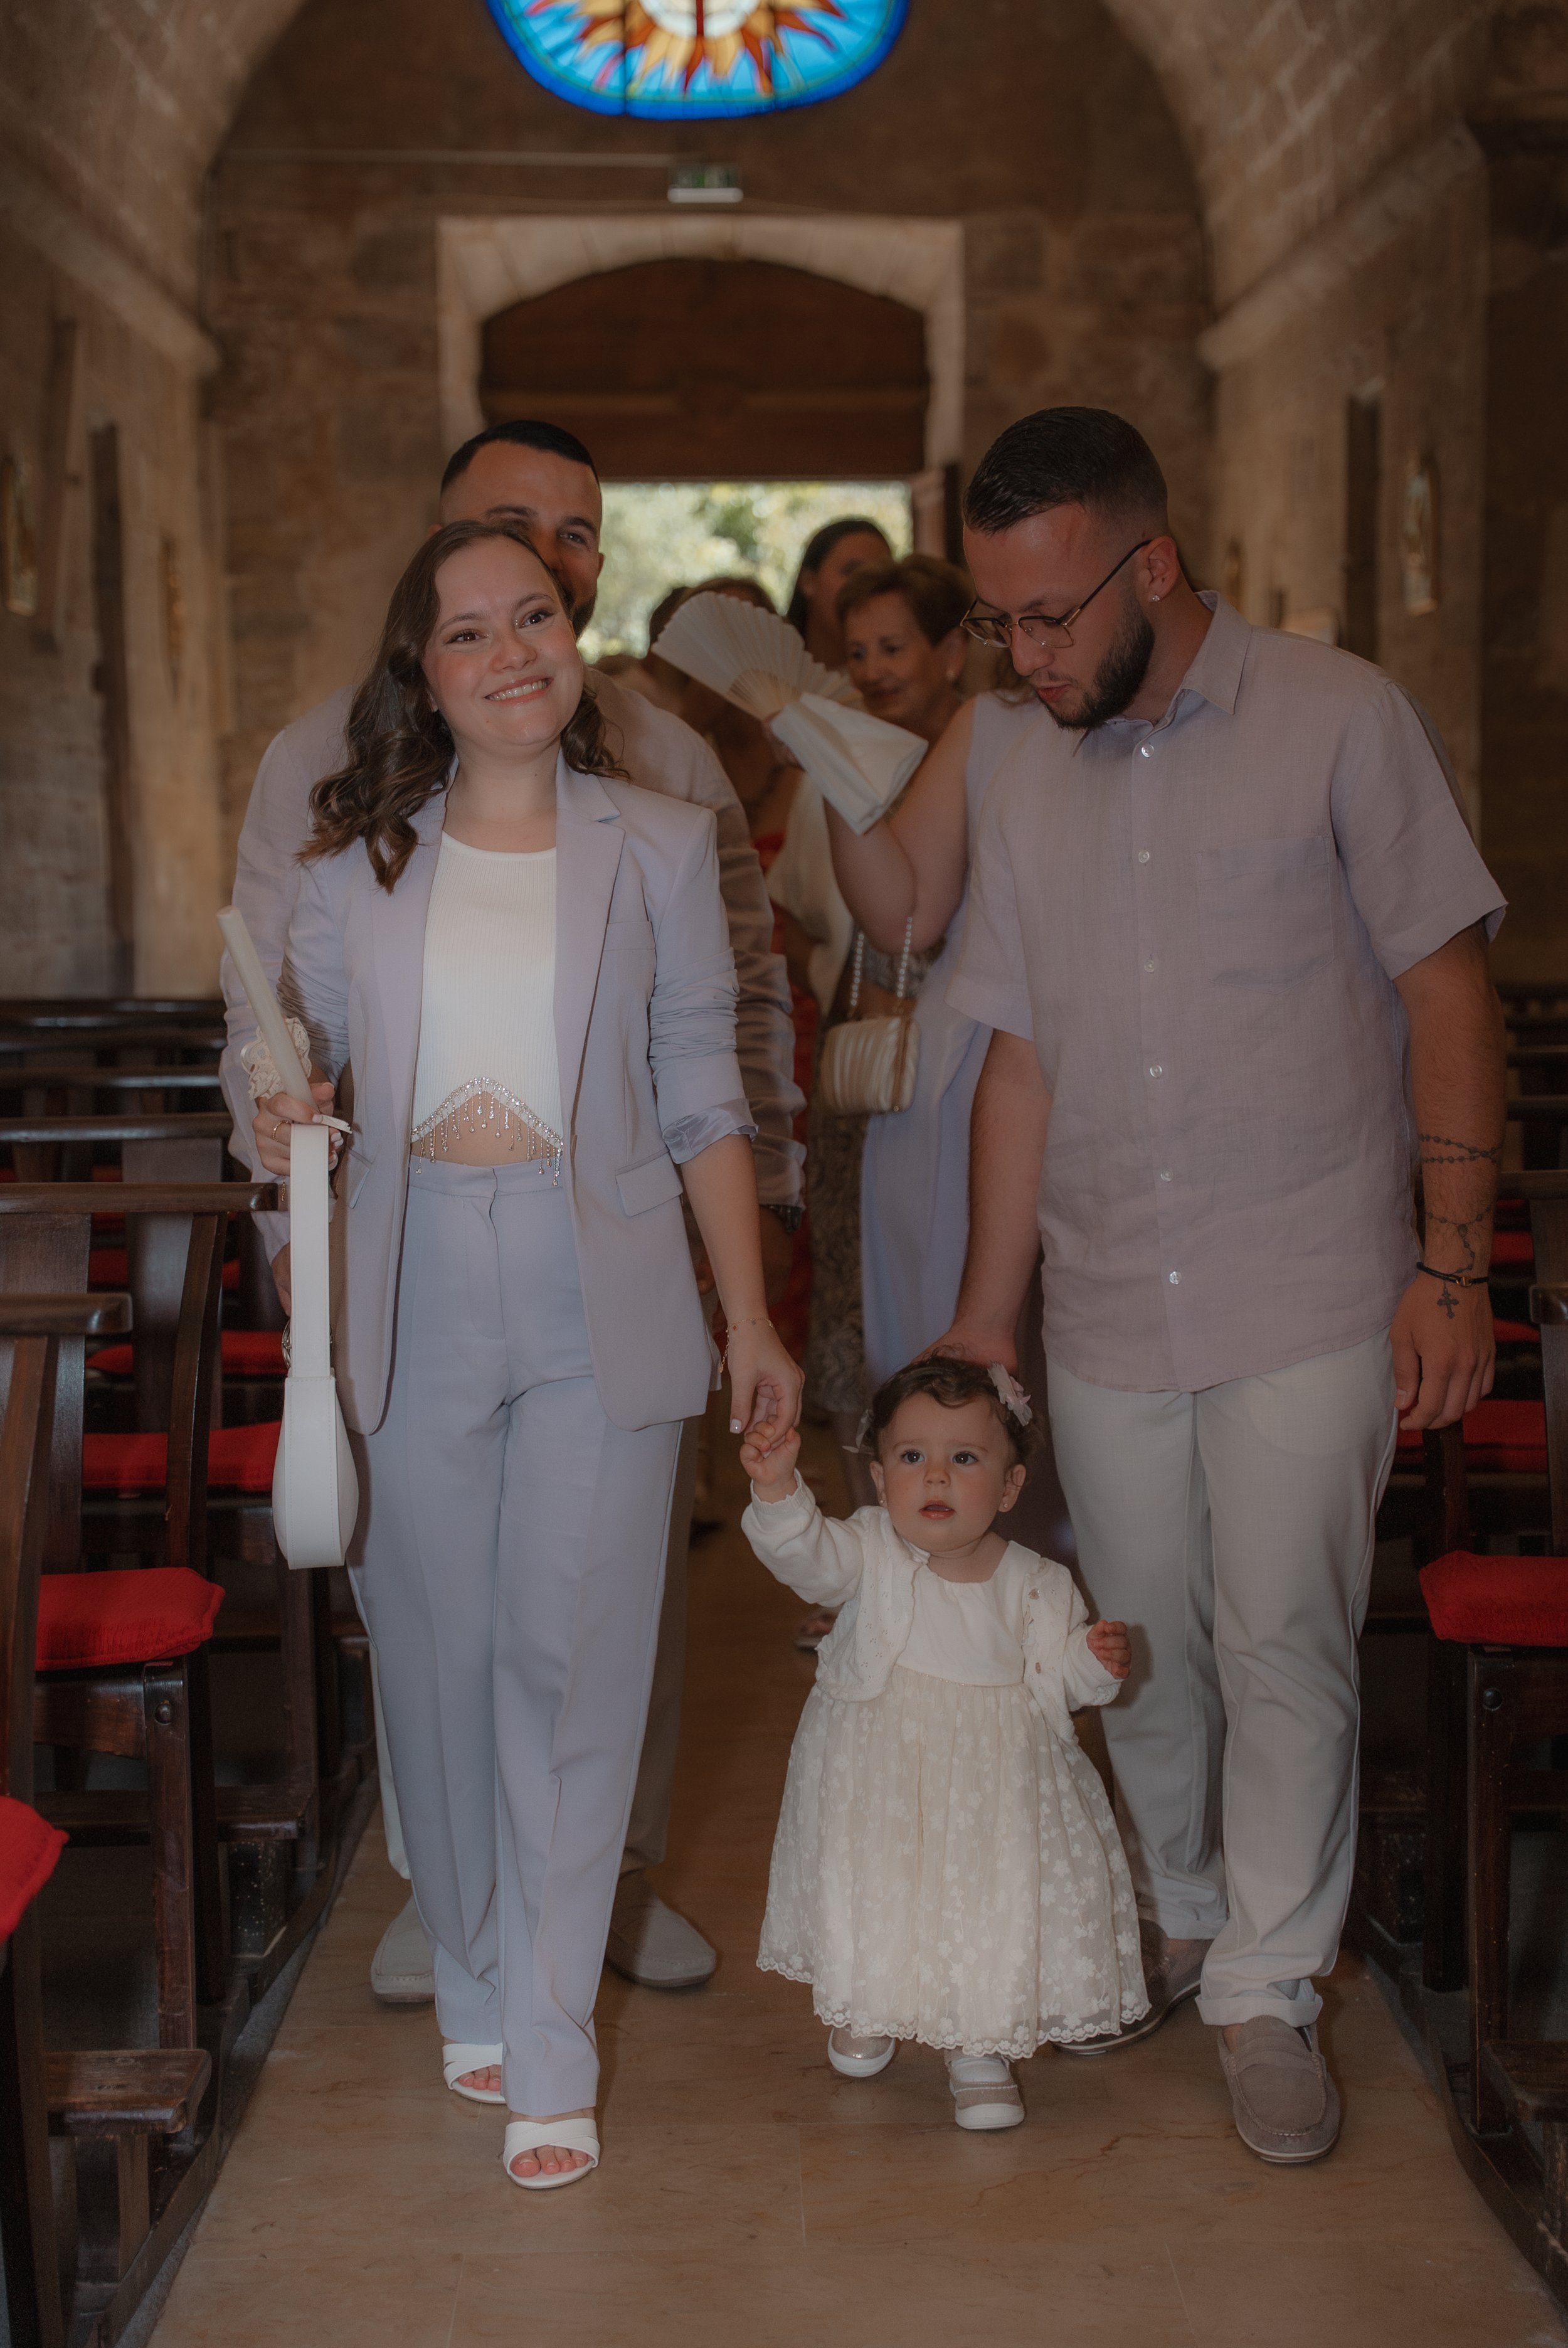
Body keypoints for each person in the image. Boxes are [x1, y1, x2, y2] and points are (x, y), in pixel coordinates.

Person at [934, 405, 1507, 2164]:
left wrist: (1449, 1263)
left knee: (1284, 1636)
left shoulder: (1338, 717)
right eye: (997, 621)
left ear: (1151, 568)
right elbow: (1017, 1056)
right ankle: (1182, 1904)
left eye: (1048, 618)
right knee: (1144, 1643)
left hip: (1316, 1270)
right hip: (1108, 1285)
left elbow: (1445, 993)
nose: (1021, 657)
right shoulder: (1016, 761)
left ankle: (1267, 1982)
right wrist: (979, 1312)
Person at [220, 419, 803, 2006]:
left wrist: (746, 1291)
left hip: (599, 1246)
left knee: (605, 1613)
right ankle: (454, 1891)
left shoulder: (665, 781)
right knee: (435, 1616)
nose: (541, 579)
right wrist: (299, 1196)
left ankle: (599, 1884)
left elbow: (713, 1040)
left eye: (571, 548)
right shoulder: (317, 779)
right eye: (502, 550)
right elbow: (277, 1022)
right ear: (428, 611)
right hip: (400, 1240)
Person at [741, 1355, 1145, 2130]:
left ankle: (979, 2043)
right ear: (879, 1472)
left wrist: (1092, 1663)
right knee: (881, 1887)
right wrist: (777, 1490)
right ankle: (870, 1997)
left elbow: (1055, 1679)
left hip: (990, 1791)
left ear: (1008, 1485)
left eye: (963, 1458)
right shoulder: (867, 1551)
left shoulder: (1038, 1581)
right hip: (878, 1778)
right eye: (911, 1456)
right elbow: (805, 1558)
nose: (935, 1478)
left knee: (980, 1903)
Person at [838, 553, 969, 744]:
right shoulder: (844, 750)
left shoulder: (997, 748)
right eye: (858, 654)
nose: (871, 674)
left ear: (952, 652)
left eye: (892, 649)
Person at [785, 515, 893, 672]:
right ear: (809, 581)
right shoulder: (766, 670)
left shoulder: (895, 682)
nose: (869, 585)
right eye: (852, 571)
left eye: (881, 574)